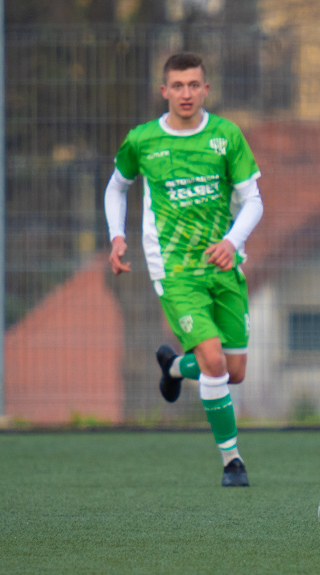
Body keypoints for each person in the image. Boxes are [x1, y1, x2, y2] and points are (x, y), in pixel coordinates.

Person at [104, 52, 264, 488]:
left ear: (206, 89)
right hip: (175, 270)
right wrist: (116, 237)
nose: (186, 93)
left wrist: (233, 241)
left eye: (194, 85)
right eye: (178, 86)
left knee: (235, 371)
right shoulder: (143, 141)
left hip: (224, 265)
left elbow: (253, 200)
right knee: (213, 362)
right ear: (164, 91)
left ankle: (174, 368)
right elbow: (116, 188)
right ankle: (232, 461)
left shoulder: (226, 135)